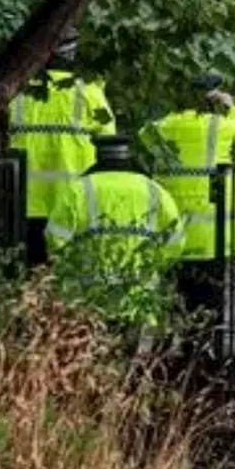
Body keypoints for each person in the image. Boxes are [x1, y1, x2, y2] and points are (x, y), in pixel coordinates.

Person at [138, 73, 235, 315]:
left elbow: (145, 135)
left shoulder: (168, 126)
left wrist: (178, 112)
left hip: (176, 225)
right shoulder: (230, 127)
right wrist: (232, 109)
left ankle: (180, 346)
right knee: (210, 296)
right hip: (215, 228)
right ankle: (206, 346)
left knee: (179, 292)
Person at [44, 135, 185, 330]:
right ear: (127, 157)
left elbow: (55, 239)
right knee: (138, 357)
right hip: (139, 301)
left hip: (89, 301)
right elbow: (175, 241)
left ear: (98, 156)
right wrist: (153, 267)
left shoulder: (78, 190)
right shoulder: (154, 190)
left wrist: (75, 271)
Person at [9, 27, 117, 266]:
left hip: (27, 200)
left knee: (32, 272)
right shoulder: (88, 93)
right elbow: (110, 142)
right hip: (74, 200)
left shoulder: (21, 93)